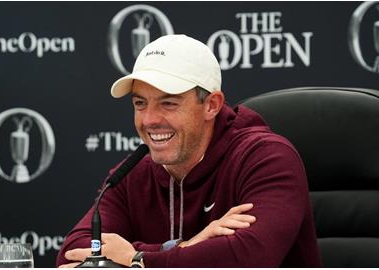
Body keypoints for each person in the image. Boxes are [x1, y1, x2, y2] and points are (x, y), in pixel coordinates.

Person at [56, 34, 321, 267]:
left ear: (212, 105)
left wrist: (136, 260)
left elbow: (249, 258)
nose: (149, 120)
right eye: (140, 103)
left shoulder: (267, 158)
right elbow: (73, 252)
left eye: (168, 103)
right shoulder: (131, 175)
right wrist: (183, 247)